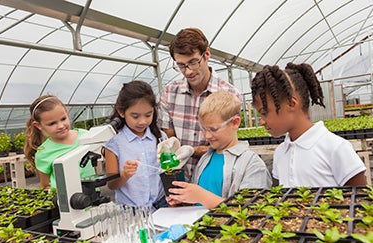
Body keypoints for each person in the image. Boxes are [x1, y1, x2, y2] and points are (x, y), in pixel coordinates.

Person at [250, 63, 367, 187]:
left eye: (264, 112)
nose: (262, 121)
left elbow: (360, 198)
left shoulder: (335, 148)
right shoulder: (281, 152)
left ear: (291, 104)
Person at [158, 27, 242, 181]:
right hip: (179, 180)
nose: (188, 71)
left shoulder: (230, 95)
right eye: (181, 65)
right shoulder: (169, 94)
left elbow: (227, 146)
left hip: (216, 180)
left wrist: (192, 150)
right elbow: (169, 141)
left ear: (207, 54)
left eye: (193, 62)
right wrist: (171, 148)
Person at [165, 91, 272, 209]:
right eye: (204, 129)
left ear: (235, 123)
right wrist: (183, 200)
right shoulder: (205, 159)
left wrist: (202, 196)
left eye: (213, 129)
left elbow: (252, 211)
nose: (207, 136)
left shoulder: (252, 164)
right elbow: (197, 203)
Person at [104, 80, 168, 210]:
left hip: (161, 204)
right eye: (135, 116)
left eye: (148, 115)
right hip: (131, 211)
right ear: (121, 112)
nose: (142, 121)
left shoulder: (160, 138)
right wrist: (124, 175)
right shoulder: (114, 144)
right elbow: (111, 185)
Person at [24, 95, 95, 190]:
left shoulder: (86, 136)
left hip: (93, 196)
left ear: (66, 112)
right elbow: (45, 185)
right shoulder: (43, 153)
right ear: (38, 125)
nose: (61, 126)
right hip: (64, 201)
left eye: (63, 119)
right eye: (52, 123)